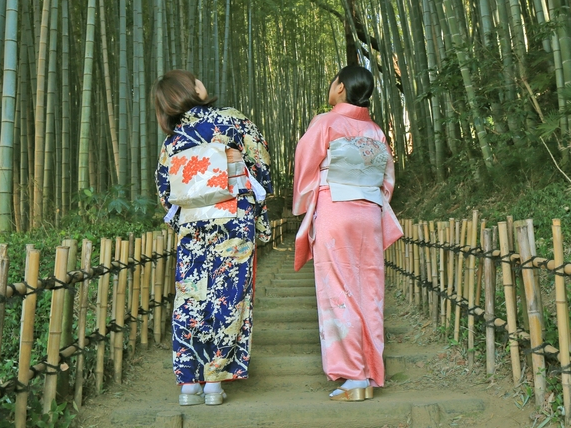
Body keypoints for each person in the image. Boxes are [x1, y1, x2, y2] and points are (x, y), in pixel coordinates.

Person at [153, 70, 273, 407]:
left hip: (193, 225)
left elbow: (166, 193)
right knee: (229, 296)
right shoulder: (231, 121)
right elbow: (260, 164)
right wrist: (255, 200)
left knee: (191, 298)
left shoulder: (171, 141)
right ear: (192, 89)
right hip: (233, 219)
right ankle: (215, 383)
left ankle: (188, 383)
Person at [292, 65, 403, 402]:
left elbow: (305, 167)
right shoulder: (376, 131)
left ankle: (353, 377)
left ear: (340, 87)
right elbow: (386, 180)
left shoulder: (326, 123)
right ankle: (369, 371)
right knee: (369, 289)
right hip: (369, 212)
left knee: (338, 290)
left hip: (335, 210)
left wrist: (307, 200)